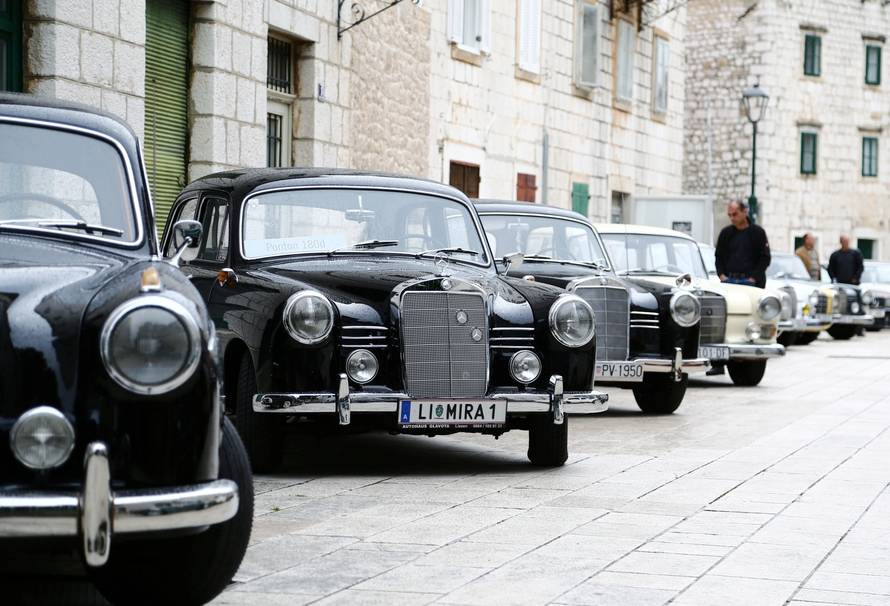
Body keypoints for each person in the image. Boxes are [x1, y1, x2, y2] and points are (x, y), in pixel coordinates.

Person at [714, 200, 771, 288]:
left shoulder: (758, 233)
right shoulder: (725, 233)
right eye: (729, 215)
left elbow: (765, 258)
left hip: (752, 282)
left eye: (735, 214)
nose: (732, 218)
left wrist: (753, 278)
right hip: (729, 281)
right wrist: (721, 275)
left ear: (744, 212)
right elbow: (718, 256)